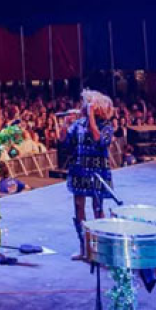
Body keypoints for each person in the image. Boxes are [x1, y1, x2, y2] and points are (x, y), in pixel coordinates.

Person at [63, 90, 117, 261]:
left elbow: (100, 141)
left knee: (97, 207)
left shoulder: (107, 125)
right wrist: (64, 125)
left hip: (97, 170)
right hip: (79, 168)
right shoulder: (79, 123)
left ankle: (99, 248)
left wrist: (92, 117)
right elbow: (65, 142)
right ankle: (84, 247)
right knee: (79, 207)